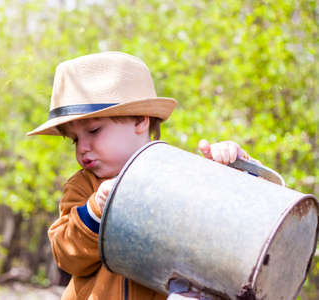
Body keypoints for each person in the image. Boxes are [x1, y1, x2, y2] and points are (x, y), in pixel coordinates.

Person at [27, 52, 252, 300]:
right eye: (75, 139)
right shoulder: (83, 187)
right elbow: (68, 256)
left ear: (140, 121)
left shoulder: (181, 175)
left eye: (93, 130)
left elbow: (233, 231)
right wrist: (95, 210)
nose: (82, 147)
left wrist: (233, 168)